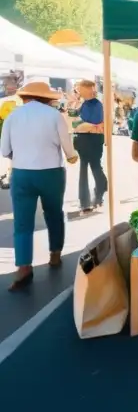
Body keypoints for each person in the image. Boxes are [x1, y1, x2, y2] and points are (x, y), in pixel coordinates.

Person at [1, 81, 78, 291]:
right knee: (53, 213)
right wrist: (72, 157)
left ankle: (24, 267)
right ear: (47, 98)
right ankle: (55, 254)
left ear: (25, 97)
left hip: (22, 174)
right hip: (51, 173)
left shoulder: (12, 116)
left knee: (22, 223)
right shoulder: (55, 116)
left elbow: (4, 150)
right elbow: (67, 147)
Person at [72, 79, 107, 213]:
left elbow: (93, 122)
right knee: (91, 166)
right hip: (86, 139)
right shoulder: (85, 103)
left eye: (79, 88)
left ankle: (90, 198)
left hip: (91, 139)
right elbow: (76, 120)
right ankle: (96, 192)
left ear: (88, 89)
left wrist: (79, 124)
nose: (78, 91)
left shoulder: (96, 105)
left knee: (91, 167)